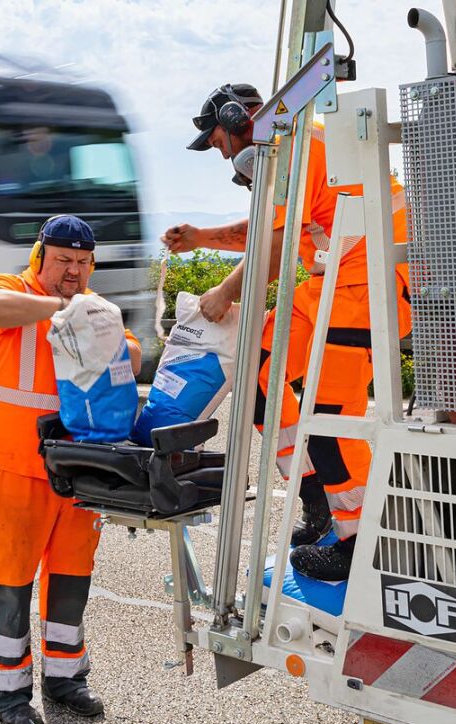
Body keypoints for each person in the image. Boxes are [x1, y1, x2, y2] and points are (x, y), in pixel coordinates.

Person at [163, 83, 411, 582]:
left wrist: (227, 292)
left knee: (327, 415)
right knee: (256, 368)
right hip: (333, 286)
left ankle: (361, 543)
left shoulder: (294, 146)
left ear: (237, 119)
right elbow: (269, 229)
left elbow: (274, 248)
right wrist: (202, 238)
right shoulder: (292, 147)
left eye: (217, 144)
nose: (223, 156)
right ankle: (315, 491)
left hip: (371, 284)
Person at [0, 215, 142, 724]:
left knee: (71, 579)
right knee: (10, 581)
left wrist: (101, 328)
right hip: (15, 465)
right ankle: (7, 694)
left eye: (84, 262)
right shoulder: (13, 291)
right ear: (40, 257)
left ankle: (66, 680)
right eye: (64, 260)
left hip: (78, 468)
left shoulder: (95, 306)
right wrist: (59, 309)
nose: (74, 270)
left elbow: (133, 354)